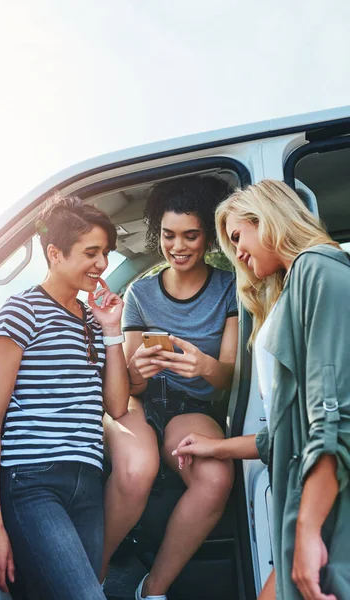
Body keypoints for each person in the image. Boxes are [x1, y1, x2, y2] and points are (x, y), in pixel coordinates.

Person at [173, 179, 350, 600]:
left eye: (238, 236)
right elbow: (290, 433)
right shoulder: (291, 287)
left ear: (267, 219)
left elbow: (333, 415)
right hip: (306, 502)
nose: (237, 253)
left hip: (328, 506)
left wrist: (308, 531)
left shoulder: (316, 268)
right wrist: (215, 449)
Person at [0, 194, 130, 600]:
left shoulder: (91, 320)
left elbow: (116, 406)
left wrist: (112, 329)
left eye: (106, 254)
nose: (102, 264)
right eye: (91, 253)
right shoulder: (20, 311)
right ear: (55, 253)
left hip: (87, 479)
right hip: (33, 481)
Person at [102, 175, 238, 600]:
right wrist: (137, 367)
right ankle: (93, 575)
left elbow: (231, 376)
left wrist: (203, 364)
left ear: (208, 236)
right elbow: (127, 389)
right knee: (135, 468)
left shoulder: (229, 288)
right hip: (143, 403)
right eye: (168, 235)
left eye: (190, 235)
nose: (178, 247)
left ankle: (152, 589)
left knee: (215, 478)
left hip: (192, 406)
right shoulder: (140, 293)